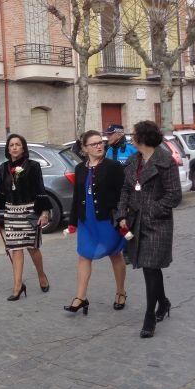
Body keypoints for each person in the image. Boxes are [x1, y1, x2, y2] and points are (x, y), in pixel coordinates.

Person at [116, 121, 182, 339]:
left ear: (142, 138)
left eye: (134, 134)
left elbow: (174, 196)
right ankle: (163, 303)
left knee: (151, 266)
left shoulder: (166, 162)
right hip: (136, 221)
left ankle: (149, 316)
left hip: (157, 223)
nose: (131, 138)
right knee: (149, 267)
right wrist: (122, 214)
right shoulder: (134, 160)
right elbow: (126, 189)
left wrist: (150, 209)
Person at [64, 131, 127, 315]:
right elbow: (77, 196)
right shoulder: (80, 169)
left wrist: (123, 216)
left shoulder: (113, 167)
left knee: (115, 254)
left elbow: (124, 194)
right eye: (94, 144)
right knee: (84, 255)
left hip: (107, 219)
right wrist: (72, 221)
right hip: (87, 219)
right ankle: (80, 297)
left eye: (101, 143)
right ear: (85, 149)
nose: (99, 146)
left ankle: (121, 292)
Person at [0, 134, 51, 300]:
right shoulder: (3, 167)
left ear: (23, 148)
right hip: (11, 212)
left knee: (32, 248)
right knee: (15, 248)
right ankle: (17, 285)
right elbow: (1, 189)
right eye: (11, 145)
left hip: (30, 211)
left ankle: (41, 274)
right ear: (8, 149)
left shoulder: (33, 166)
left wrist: (44, 212)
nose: (14, 147)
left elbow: (40, 189)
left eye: (18, 144)